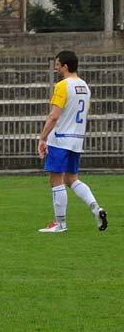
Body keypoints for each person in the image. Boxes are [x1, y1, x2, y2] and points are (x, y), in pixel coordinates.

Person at [37, 50, 108, 233]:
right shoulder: (85, 86)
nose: (56, 67)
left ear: (65, 66)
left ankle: (60, 224)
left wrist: (42, 138)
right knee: (72, 178)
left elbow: (54, 116)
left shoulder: (62, 86)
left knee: (56, 180)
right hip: (77, 140)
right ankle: (96, 208)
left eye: (58, 64)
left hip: (60, 138)